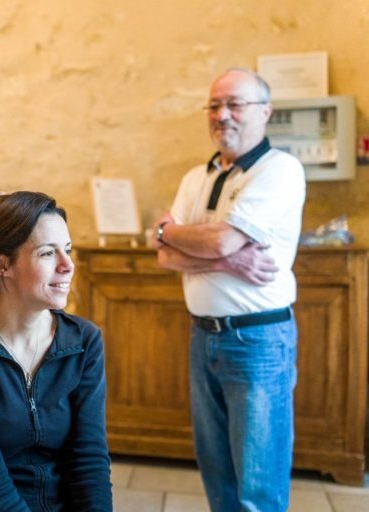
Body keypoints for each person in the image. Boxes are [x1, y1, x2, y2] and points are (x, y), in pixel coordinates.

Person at [153, 68, 305, 512]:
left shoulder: (279, 170)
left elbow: (211, 238)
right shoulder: (194, 178)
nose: (223, 115)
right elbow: (164, 254)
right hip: (203, 337)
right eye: (215, 105)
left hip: (257, 342)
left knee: (258, 484)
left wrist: (173, 232)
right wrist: (227, 258)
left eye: (235, 104)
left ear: (265, 111)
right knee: (217, 473)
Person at [0, 191, 113, 511]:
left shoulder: (84, 341)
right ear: (2, 263)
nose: (68, 266)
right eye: (47, 254)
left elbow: (89, 458)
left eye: (67, 250)